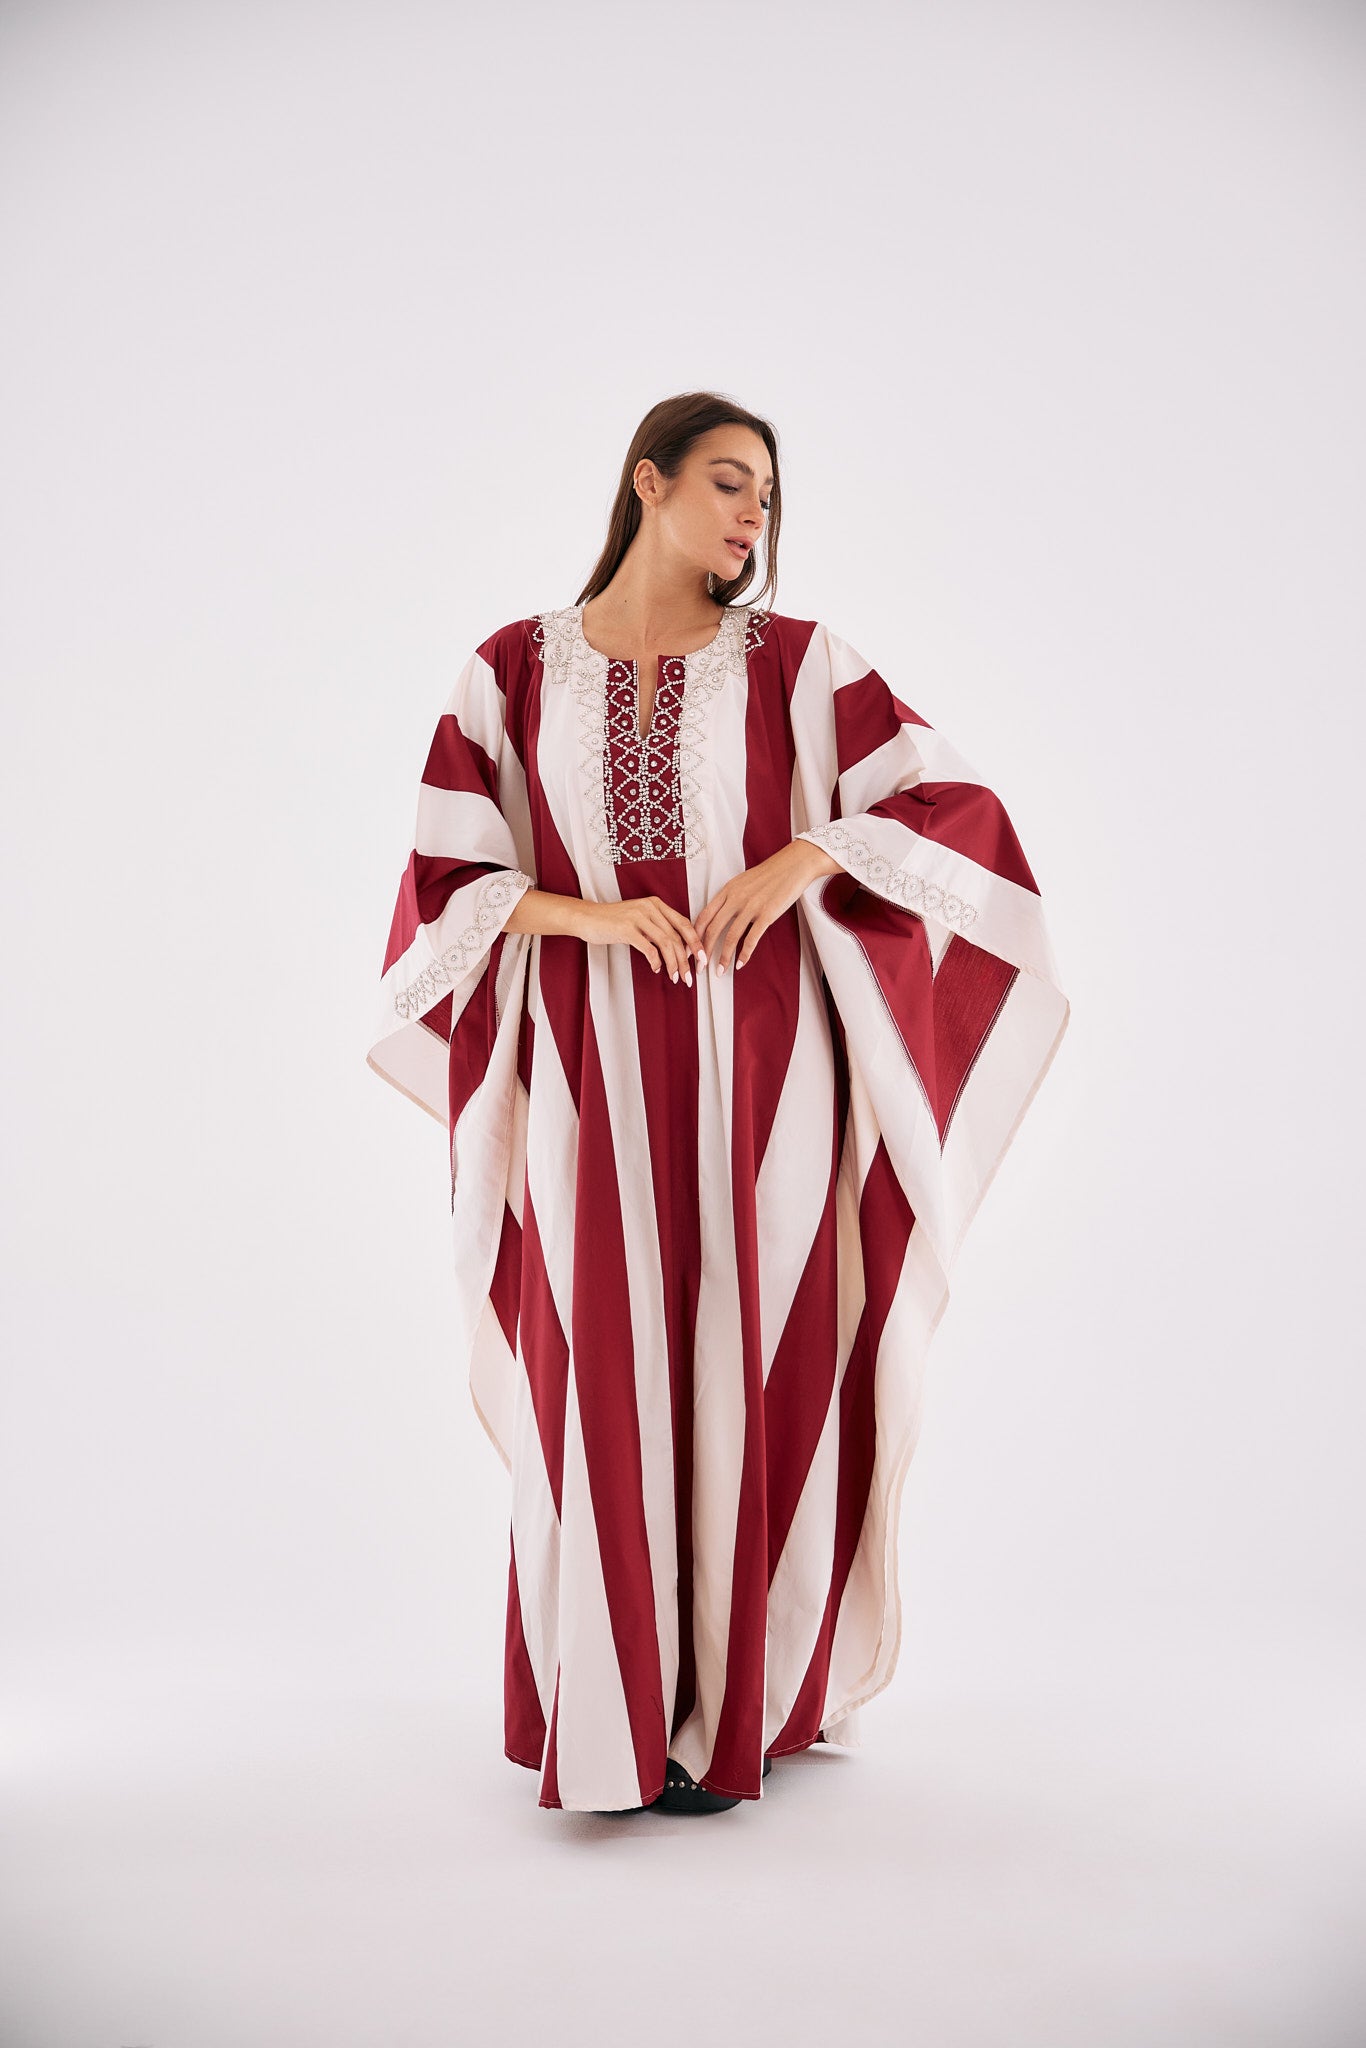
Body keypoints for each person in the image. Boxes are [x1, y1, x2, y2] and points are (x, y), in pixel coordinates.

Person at [366, 390, 1070, 1818]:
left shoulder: (803, 666)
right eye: (730, 482)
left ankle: (725, 1718)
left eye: (767, 496)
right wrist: (591, 916)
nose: (755, 514)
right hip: (586, 1070)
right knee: (597, 1365)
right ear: (649, 481)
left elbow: (954, 812)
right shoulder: (511, 669)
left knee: (761, 1355)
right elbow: (446, 886)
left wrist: (803, 856)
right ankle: (615, 1715)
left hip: (768, 1067)